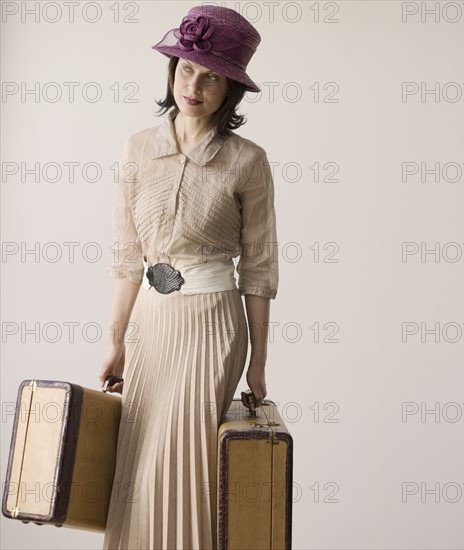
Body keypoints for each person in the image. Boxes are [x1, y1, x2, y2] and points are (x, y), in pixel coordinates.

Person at [99, 5, 279, 549]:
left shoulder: (248, 161)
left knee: (188, 464)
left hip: (212, 328)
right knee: (139, 464)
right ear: (171, 70)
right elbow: (128, 255)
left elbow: (259, 268)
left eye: (211, 76)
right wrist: (114, 339)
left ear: (231, 91)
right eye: (185, 69)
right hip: (151, 326)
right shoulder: (136, 148)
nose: (194, 85)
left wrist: (259, 363)